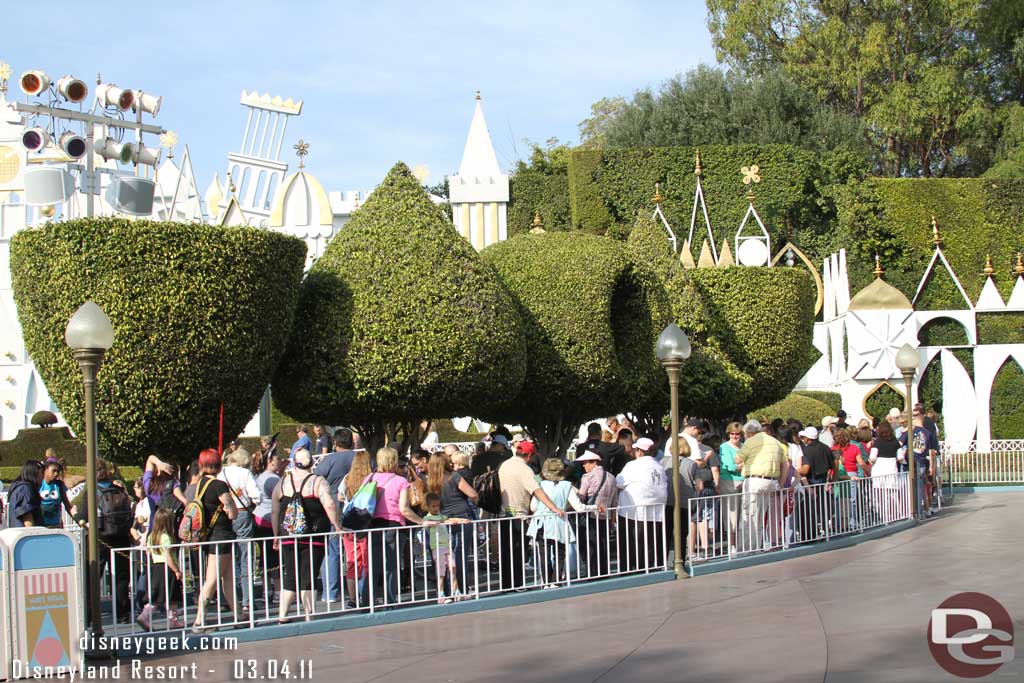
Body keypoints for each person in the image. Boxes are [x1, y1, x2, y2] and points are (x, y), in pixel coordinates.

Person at [271, 449, 341, 622]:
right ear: (311, 463)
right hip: (314, 536)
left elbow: (275, 511)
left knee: (291, 574)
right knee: (309, 574)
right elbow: (330, 504)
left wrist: (276, 535)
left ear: (294, 463)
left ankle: (282, 615)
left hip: (288, 535)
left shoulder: (282, 483)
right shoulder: (318, 482)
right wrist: (337, 526)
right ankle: (309, 614)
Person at [362, 447, 428, 606]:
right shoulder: (400, 481)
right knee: (391, 566)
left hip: (374, 525)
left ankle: (367, 601)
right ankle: (390, 600)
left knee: (373, 566)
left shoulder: (370, 478)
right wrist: (421, 521)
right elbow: (404, 509)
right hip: (393, 525)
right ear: (394, 461)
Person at [498, 440, 564, 590]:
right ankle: (517, 583)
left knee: (506, 551)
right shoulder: (524, 469)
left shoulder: (505, 464)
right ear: (529, 455)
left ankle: (506, 583)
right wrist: (554, 507)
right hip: (518, 515)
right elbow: (537, 490)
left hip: (503, 514)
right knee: (518, 550)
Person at [527, 458, 599, 587]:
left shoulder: (540, 486)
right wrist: (594, 507)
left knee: (544, 553)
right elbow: (579, 507)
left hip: (541, 523)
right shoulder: (567, 486)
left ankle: (546, 581)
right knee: (560, 553)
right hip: (558, 523)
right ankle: (556, 580)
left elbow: (533, 507)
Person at [191, 448, 240, 633]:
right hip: (221, 535)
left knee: (227, 577)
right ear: (218, 464)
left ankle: (238, 614)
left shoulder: (200, 484)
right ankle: (199, 620)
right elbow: (232, 511)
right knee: (212, 579)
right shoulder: (219, 485)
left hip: (209, 535)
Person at [81, 459, 133, 622]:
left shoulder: (91, 492)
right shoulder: (119, 490)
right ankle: (123, 613)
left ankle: (90, 614)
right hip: (121, 537)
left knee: (93, 576)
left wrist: (80, 518)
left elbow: (83, 515)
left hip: (100, 537)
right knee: (121, 576)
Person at [426, 452, 478, 600]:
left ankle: (447, 591)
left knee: (446, 557)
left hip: (444, 520)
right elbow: (472, 494)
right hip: (462, 517)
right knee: (460, 555)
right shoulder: (454, 476)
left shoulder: (431, 482)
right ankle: (461, 589)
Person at [313, 428, 356, 602]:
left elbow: (315, 478)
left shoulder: (329, 460)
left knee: (331, 552)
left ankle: (330, 593)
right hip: (356, 509)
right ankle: (359, 590)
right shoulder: (359, 459)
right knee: (355, 552)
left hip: (332, 509)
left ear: (335, 443)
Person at [734, 421, 789, 552]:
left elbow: (737, 460)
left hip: (754, 481)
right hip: (771, 481)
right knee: (760, 517)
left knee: (749, 516)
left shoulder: (751, 441)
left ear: (748, 433)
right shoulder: (775, 442)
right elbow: (785, 464)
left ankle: (746, 549)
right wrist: (780, 484)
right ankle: (756, 547)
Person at [615, 437, 668, 571]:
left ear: (639, 451)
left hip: (633, 511)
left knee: (630, 543)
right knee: (650, 542)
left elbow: (619, 482)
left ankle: (630, 569)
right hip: (655, 510)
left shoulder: (633, 465)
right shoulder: (659, 466)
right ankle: (648, 567)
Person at [219, 448, 261, 611]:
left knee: (226, 558)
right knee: (245, 557)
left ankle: (228, 599)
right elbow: (257, 495)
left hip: (224, 515)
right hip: (242, 514)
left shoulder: (221, 473)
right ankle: (247, 600)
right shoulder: (245, 473)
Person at [135, 507, 185, 631]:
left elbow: (149, 553)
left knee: (156, 595)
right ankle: (171, 620)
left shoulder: (152, 536)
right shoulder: (166, 537)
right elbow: (168, 556)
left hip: (155, 567)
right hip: (167, 569)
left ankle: (146, 615)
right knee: (171, 595)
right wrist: (177, 570)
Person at [339, 449, 373, 609]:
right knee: (367, 561)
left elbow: (340, 496)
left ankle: (353, 598)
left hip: (348, 524)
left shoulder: (346, 479)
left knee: (352, 562)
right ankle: (367, 594)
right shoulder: (371, 480)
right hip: (364, 524)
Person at [576, 450, 617, 578]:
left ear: (594, 462)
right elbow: (614, 501)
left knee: (591, 545)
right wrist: (612, 519)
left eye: (585, 463)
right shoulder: (611, 477)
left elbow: (581, 497)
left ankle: (593, 573)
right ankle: (604, 572)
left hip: (591, 514)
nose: (583, 465)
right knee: (604, 544)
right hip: (605, 515)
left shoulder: (587, 477)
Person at [253, 451, 286, 607]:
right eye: (277, 458)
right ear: (270, 461)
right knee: (274, 559)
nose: (279, 461)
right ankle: (278, 592)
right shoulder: (271, 479)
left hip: (259, 518)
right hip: (268, 521)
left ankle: (267, 591)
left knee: (265, 559)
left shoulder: (261, 476)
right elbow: (283, 495)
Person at [797, 427, 834, 540]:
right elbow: (833, 465)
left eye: (804, 437)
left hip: (810, 484)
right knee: (823, 508)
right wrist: (831, 481)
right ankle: (825, 530)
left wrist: (793, 470)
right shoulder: (825, 448)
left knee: (809, 510)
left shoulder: (806, 451)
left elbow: (805, 470)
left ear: (808, 438)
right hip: (823, 483)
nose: (803, 440)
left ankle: (811, 533)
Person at [901, 412, 938, 519]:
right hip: (921, 462)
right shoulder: (927, 433)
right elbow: (931, 450)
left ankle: (913, 511)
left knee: (910, 487)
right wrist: (931, 466)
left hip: (910, 462)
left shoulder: (910, 431)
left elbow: (899, 443)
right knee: (920, 487)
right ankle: (921, 510)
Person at [869, 422, 903, 522]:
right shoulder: (895, 442)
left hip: (879, 470)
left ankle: (883, 516)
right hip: (892, 469)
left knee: (879, 496)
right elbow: (900, 457)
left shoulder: (877, 442)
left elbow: (872, 457)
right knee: (892, 495)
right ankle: (895, 515)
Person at [717, 423, 745, 546]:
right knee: (731, 515)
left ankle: (741, 543)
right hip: (729, 482)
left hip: (744, 481)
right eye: (732, 433)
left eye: (737, 433)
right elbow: (731, 466)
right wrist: (745, 466)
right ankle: (732, 545)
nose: (734, 436)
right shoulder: (724, 446)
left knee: (743, 514)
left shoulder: (744, 446)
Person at [7, 460, 44, 528]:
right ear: (34, 473)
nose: (43, 476)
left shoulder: (20, 488)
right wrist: (33, 534)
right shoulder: (25, 489)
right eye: (42, 473)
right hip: (26, 535)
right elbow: (27, 517)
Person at [39, 459, 72, 528]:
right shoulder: (38, 485)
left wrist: (78, 518)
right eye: (53, 471)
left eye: (58, 471)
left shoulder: (59, 485)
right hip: (41, 526)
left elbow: (67, 505)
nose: (56, 474)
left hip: (56, 525)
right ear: (46, 470)